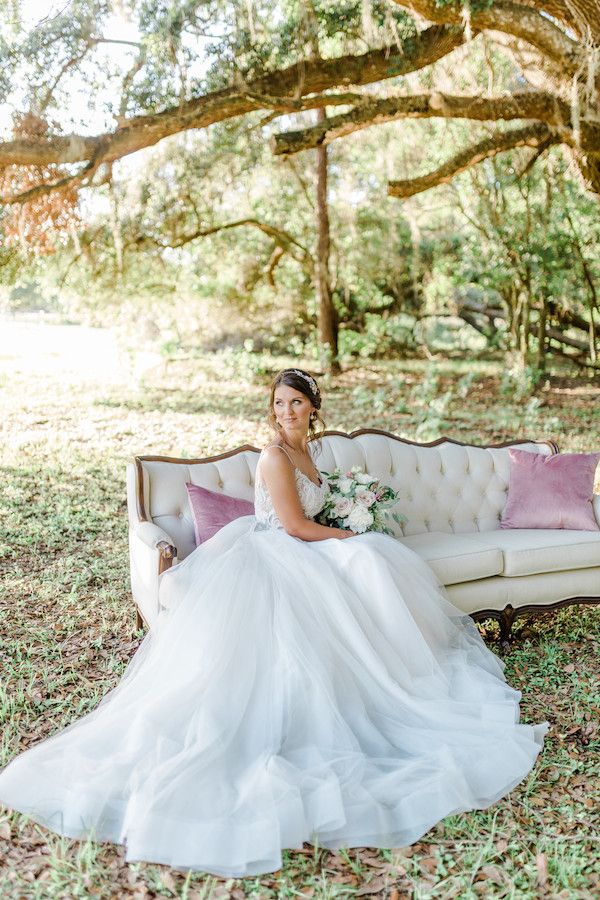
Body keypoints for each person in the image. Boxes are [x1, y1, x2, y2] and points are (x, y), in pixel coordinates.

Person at [0, 367, 549, 878]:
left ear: (314, 408)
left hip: (300, 544)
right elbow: (290, 524)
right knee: (363, 561)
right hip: (273, 552)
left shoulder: (309, 453)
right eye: (279, 403)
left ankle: (395, 675)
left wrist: (351, 523)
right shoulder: (273, 457)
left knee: (368, 566)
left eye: (296, 402)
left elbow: (313, 515)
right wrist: (353, 536)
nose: (286, 411)